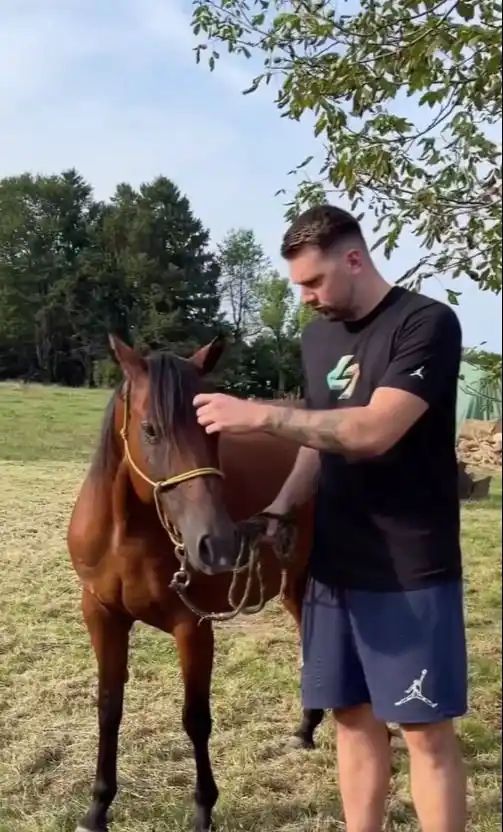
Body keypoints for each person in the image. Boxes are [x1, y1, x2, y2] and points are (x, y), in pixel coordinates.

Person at [193, 204, 467, 832]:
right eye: (299, 287)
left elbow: (373, 430)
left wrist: (257, 414)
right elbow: (322, 440)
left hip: (409, 564)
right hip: (334, 562)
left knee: (424, 729)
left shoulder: (425, 324)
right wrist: (281, 508)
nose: (307, 298)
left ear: (353, 258)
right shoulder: (317, 339)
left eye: (313, 282)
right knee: (350, 716)